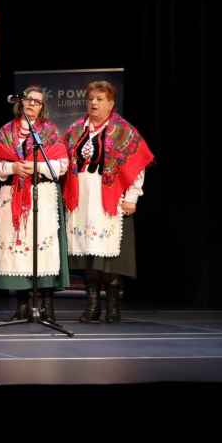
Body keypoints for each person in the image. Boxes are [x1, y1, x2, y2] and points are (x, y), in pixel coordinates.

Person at [64, 80, 154, 323]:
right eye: (91, 99)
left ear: (111, 103)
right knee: (87, 255)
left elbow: (137, 164)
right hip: (83, 200)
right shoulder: (75, 130)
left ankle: (113, 307)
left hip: (111, 201)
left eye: (100, 99)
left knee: (111, 259)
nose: (94, 103)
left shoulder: (123, 130)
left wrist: (132, 196)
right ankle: (92, 305)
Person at [0, 86, 70, 322]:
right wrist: (13, 167)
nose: (32, 104)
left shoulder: (49, 131)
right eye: (28, 99)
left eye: (37, 101)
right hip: (13, 194)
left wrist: (37, 166)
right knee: (18, 247)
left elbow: (62, 164)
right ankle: (22, 304)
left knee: (43, 247)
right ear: (21, 102)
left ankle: (47, 304)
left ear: (42, 106)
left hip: (42, 194)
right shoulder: (6, 131)